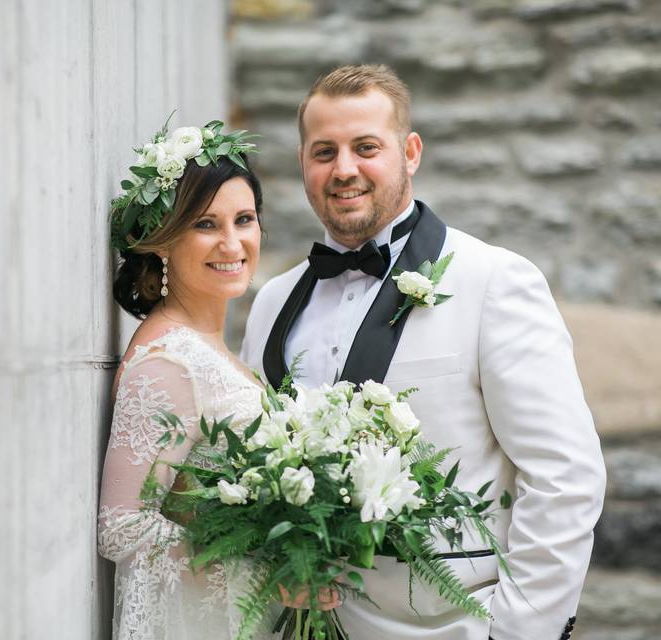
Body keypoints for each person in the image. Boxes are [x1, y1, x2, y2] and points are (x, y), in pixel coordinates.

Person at [240, 64, 606, 640]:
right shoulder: (271, 303)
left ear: (410, 152)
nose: (344, 170)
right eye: (323, 151)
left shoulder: (495, 281)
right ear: (302, 162)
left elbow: (565, 475)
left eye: (366, 147)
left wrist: (517, 632)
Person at [97, 120, 285, 639]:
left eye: (244, 219)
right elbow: (121, 525)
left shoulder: (207, 346)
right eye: (206, 224)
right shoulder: (169, 361)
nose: (232, 242)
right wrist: (268, 563)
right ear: (163, 242)